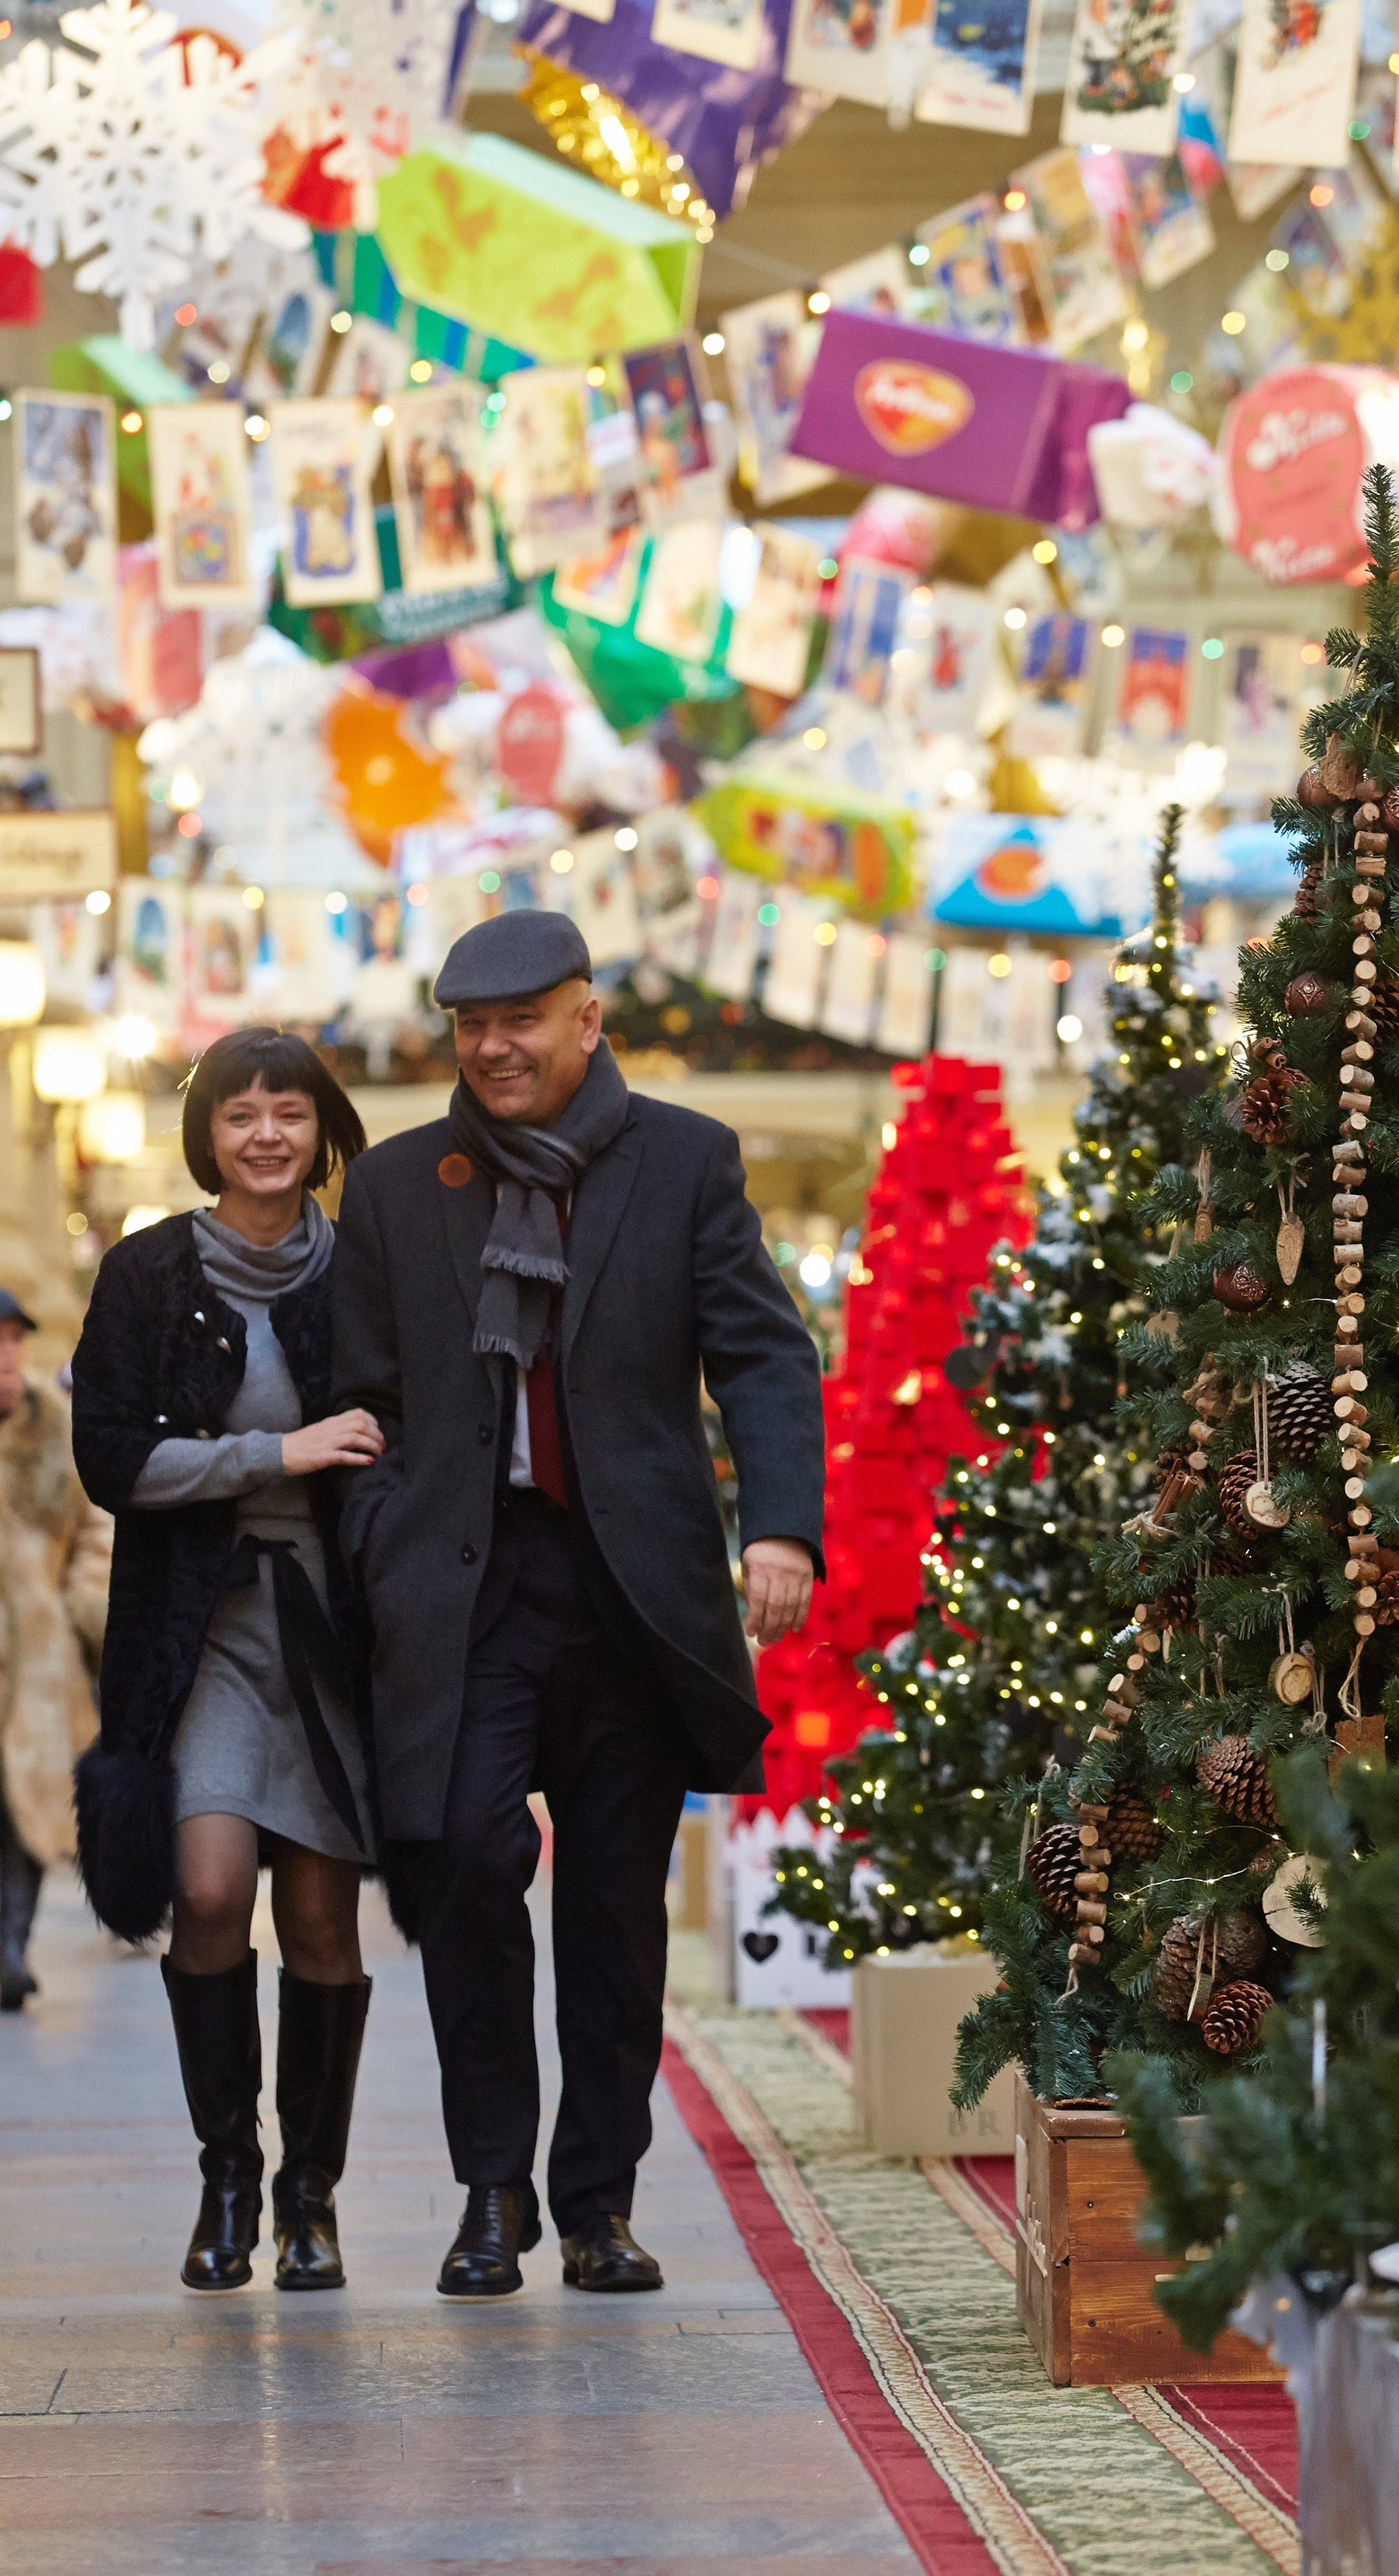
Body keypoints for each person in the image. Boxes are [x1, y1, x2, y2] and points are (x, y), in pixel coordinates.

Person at [332, 912, 823, 2301]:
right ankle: (491, 2191)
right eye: (470, 1026)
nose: (493, 1048)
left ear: (587, 1020)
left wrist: (780, 1527)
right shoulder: (397, 1185)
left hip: (630, 1593)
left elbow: (762, 1356)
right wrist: (381, 1541)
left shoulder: (683, 1160)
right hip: (462, 1591)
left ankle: (598, 2203)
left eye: (522, 1021)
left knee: (613, 1910)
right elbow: (363, 1395)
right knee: (465, 1864)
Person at [72, 1030, 381, 2297]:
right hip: (195, 1628)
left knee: (319, 1918)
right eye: (240, 1113)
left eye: (288, 1113)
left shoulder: (364, 1268)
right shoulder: (145, 1272)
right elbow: (112, 1462)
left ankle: (311, 2198)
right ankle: (228, 2177)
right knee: (205, 1893)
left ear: (322, 1130)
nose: (265, 1135)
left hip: (334, 1633)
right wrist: (277, 1455)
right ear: (207, 1134)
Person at [0, 1290, 112, 2010]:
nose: (7, 1357)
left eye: (14, 1340)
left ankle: (10, 1945)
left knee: (29, 1811)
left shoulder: (53, 1426)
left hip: (39, 1662)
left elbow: (96, 1526)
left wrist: (82, 1610)